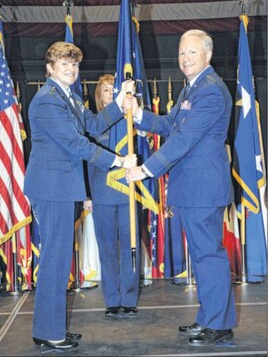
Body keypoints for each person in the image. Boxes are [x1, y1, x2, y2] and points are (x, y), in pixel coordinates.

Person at [126, 29, 237, 346]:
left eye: (192, 52)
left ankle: (219, 323)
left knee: (208, 257)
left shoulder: (211, 91)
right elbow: (169, 126)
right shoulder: (193, 89)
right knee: (202, 257)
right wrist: (137, 115)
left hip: (203, 189)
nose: (185, 59)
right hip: (192, 189)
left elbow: (185, 140)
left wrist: (146, 169)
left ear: (208, 55)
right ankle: (208, 318)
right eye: (182, 53)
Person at [24, 42, 136, 350]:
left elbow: (96, 123)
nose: (72, 70)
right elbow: (76, 144)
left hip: (61, 188)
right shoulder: (47, 101)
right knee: (55, 261)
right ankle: (49, 331)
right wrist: (118, 160)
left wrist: (120, 103)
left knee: (59, 261)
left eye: (74, 65)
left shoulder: (69, 97)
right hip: (51, 189)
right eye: (64, 65)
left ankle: (51, 327)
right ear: (50, 68)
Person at [87, 74, 140, 319]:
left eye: (113, 90)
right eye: (106, 90)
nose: (110, 94)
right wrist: (86, 194)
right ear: (99, 95)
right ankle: (112, 299)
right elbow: (84, 160)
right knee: (107, 248)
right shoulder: (93, 122)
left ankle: (129, 298)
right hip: (101, 193)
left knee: (130, 247)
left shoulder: (130, 121)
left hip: (128, 192)